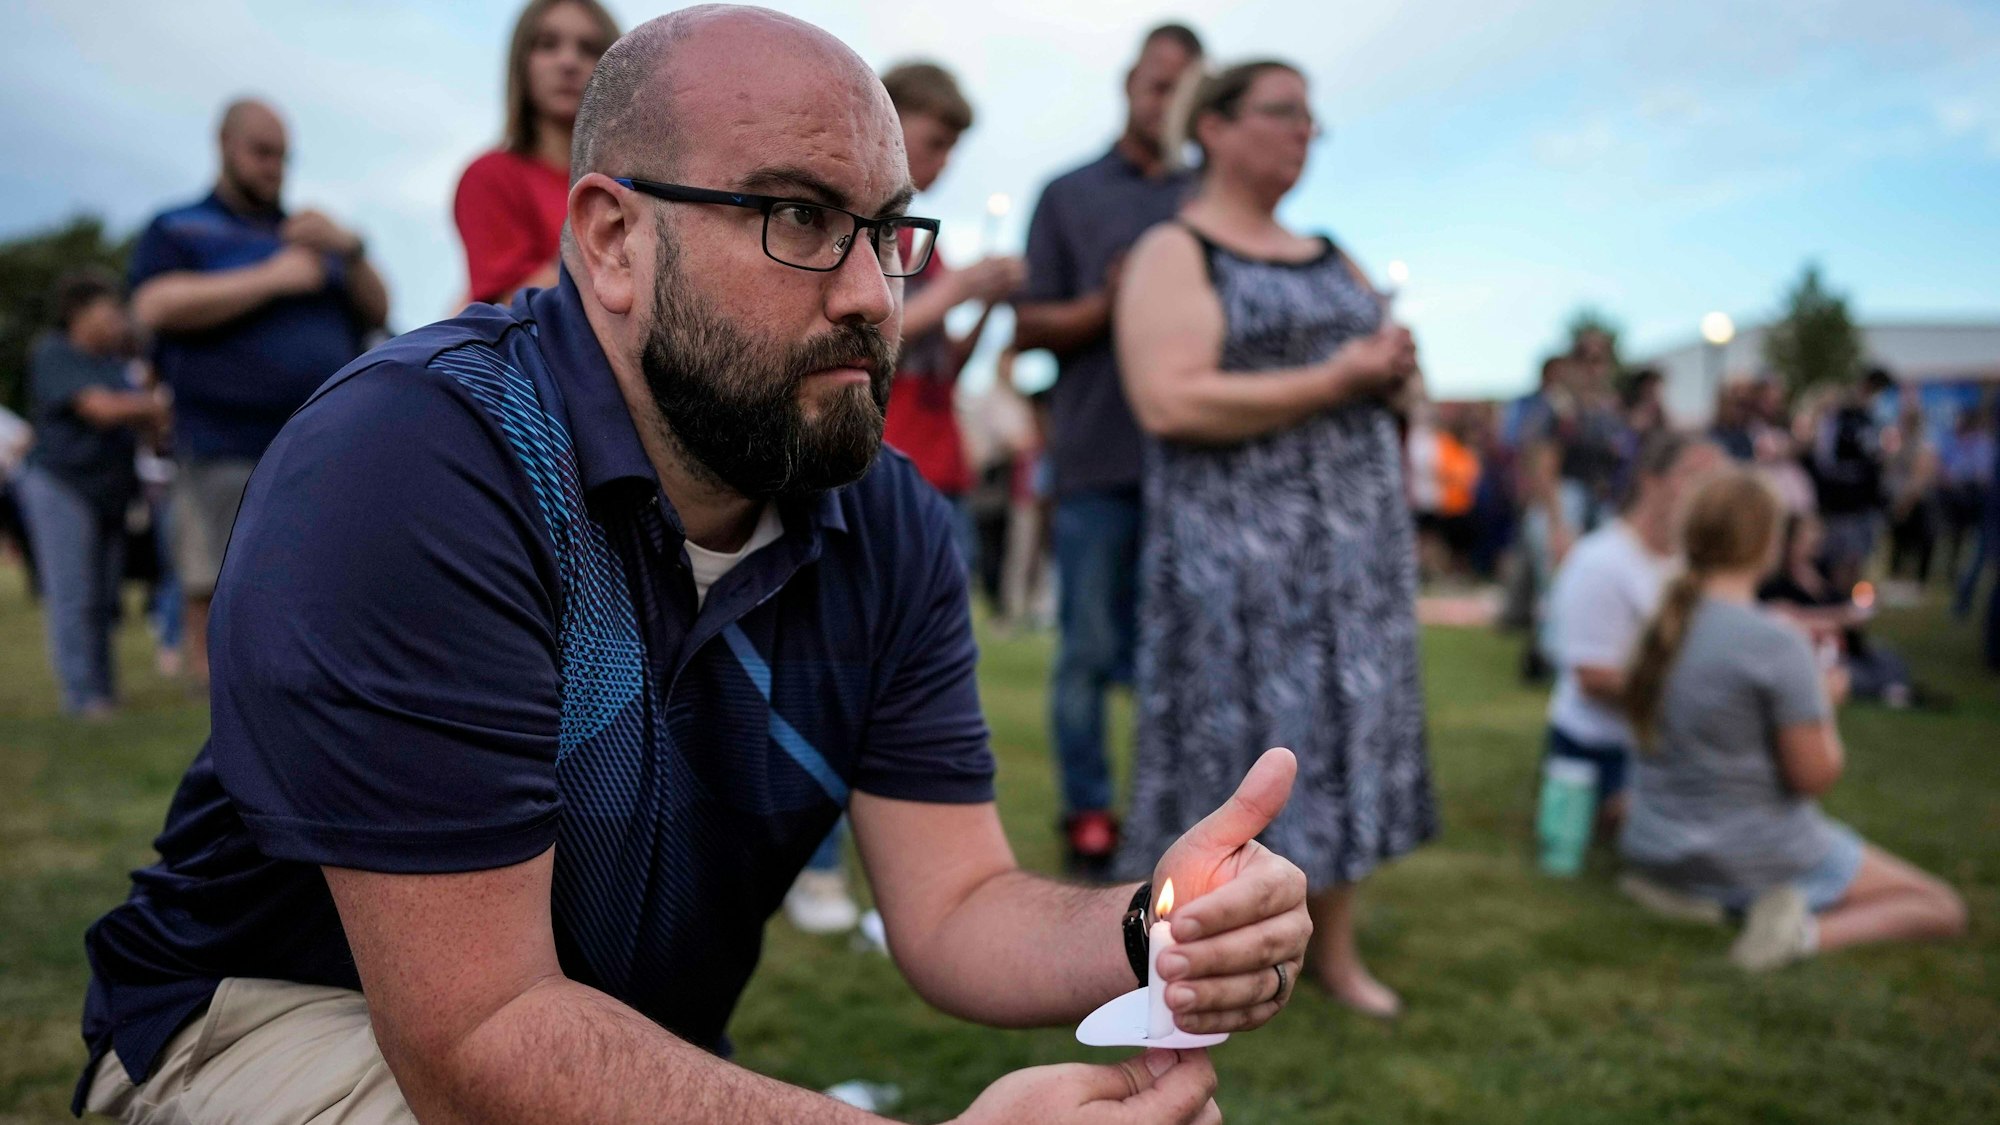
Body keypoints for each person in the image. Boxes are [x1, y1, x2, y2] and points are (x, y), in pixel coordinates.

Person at [76, 11, 1312, 1123]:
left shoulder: (886, 519)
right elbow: (480, 1036)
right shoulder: (419, 459)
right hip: (266, 1018)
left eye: (886, 232)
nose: (869, 294)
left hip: (575, 1033)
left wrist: (1155, 925)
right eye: (799, 218)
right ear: (613, 239)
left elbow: (951, 904)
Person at [1111, 58, 1431, 1018]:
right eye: (1283, 111)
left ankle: (1333, 946)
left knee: (1346, 738)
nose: (1305, 131)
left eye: (1310, 117)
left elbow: (1395, 379)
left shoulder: (1331, 254)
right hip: (1240, 558)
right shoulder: (1176, 250)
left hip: (1355, 555)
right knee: (1244, 745)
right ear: (1212, 125)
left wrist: (1397, 371)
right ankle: (1199, 950)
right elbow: (1169, 399)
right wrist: (1338, 378)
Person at [1619, 469, 1967, 970]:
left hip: (1657, 843)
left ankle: (1699, 899)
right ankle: (1797, 935)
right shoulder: (1775, 644)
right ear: (1766, 543)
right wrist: (1824, 705)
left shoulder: (1662, 624)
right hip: (1749, 854)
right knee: (1940, 906)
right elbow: (1814, 776)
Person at [1016, 22, 1203, 876]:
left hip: (1197, 465)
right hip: (1097, 459)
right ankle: (1089, 812)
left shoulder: (1207, 196)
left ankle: (1181, 814)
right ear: (1130, 84)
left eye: (1183, 90)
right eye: (1157, 84)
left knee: (1190, 656)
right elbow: (1028, 324)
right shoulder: (1069, 194)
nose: (1166, 104)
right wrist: (1110, 300)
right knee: (1088, 652)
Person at [129, 98, 389, 684]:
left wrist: (350, 249)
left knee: (319, 580)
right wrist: (271, 278)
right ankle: (212, 698)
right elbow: (154, 305)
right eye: (262, 153)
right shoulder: (179, 228)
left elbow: (379, 308)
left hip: (319, 441)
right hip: (222, 440)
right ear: (226, 145)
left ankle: (306, 687)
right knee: (213, 579)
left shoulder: (311, 238)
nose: (275, 167)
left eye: (284, 156)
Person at [877, 61, 1026, 558]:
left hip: (943, 465)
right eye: (936, 143)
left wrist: (987, 307)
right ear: (890, 121)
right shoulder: (867, 234)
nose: (944, 163)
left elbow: (947, 365)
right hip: (890, 464)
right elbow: (869, 342)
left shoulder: (924, 246)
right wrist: (958, 289)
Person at [1541, 433, 1723, 834]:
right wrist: (1697, 696)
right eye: (1694, 476)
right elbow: (1593, 677)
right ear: (1651, 481)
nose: (1709, 492)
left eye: (1716, 480)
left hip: (1668, 741)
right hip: (1605, 748)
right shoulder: (1601, 562)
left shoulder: (1692, 565)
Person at [15, 271, 168, 716]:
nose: (119, 320)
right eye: (110, 311)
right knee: (74, 594)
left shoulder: (115, 363)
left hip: (109, 490)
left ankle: (102, 691)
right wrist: (154, 406)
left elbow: (144, 420)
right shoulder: (55, 352)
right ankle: (81, 696)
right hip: (62, 485)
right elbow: (101, 409)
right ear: (79, 314)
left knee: (104, 598)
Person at [454, 0, 620, 305]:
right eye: (547, 45)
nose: (568, 62)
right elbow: (513, 305)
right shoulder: (490, 176)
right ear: (522, 63)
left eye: (588, 49)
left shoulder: (635, 179)